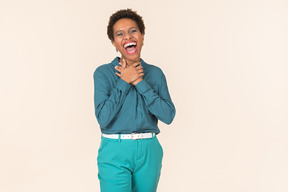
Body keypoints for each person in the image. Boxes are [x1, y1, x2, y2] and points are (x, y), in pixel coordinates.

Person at [93, 8, 176, 192]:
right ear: (114, 42)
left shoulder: (155, 73)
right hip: (114, 150)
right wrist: (124, 80)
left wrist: (139, 81)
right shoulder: (103, 73)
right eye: (119, 34)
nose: (127, 36)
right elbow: (103, 118)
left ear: (142, 36)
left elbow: (168, 115)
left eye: (133, 31)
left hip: (149, 150)